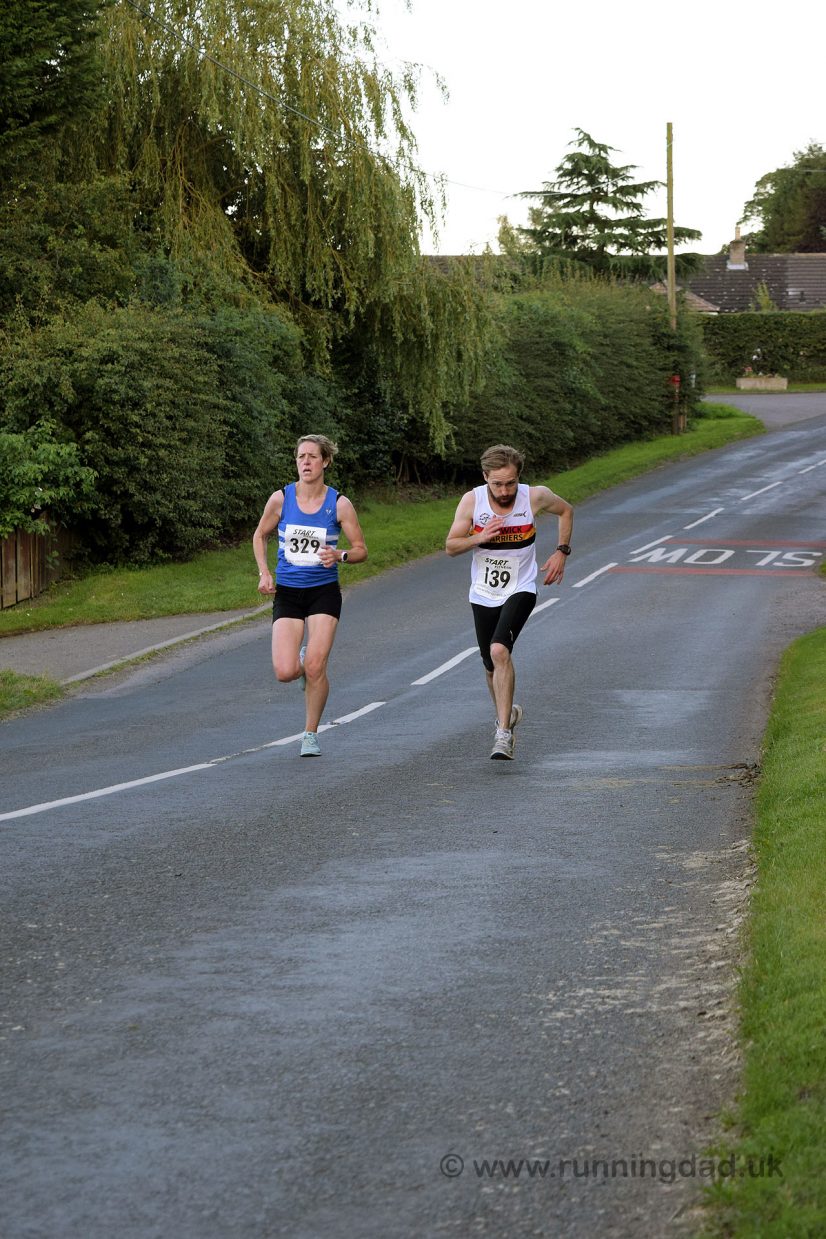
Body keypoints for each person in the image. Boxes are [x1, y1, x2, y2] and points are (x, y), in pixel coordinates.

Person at [445, 444, 573, 760]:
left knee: (500, 649)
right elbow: (450, 546)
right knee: (490, 665)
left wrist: (561, 551)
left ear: (519, 477)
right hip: (483, 591)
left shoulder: (535, 497)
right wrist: (479, 537)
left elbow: (566, 510)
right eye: (497, 484)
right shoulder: (472, 501)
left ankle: (503, 733)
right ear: (485, 477)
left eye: (511, 483)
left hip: (521, 586)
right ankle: (508, 713)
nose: (504, 491)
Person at [253, 434, 367, 756]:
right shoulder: (281, 498)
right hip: (288, 592)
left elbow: (361, 550)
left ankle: (310, 733)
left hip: (323, 592)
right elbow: (260, 535)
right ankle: (300, 665)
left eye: (312, 457)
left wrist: (340, 555)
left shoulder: (339, 504)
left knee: (317, 666)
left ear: (325, 461)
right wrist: (264, 572)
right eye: (300, 457)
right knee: (285, 672)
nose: (305, 462)